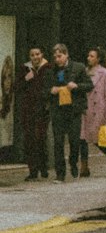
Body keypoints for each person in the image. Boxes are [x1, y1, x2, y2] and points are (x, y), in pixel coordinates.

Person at [49, 43, 92, 183]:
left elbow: (90, 85)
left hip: (73, 110)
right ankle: (60, 174)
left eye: (60, 56)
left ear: (66, 55)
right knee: (58, 142)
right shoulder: (51, 70)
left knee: (74, 141)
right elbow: (44, 89)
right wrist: (51, 90)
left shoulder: (78, 67)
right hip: (58, 110)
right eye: (55, 57)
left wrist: (77, 86)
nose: (57, 59)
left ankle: (73, 162)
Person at [80, 47, 106, 178]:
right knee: (82, 137)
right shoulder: (84, 71)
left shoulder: (105, 73)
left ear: (98, 58)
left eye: (92, 56)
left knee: (97, 139)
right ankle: (84, 167)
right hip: (85, 107)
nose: (89, 58)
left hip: (98, 109)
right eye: (88, 56)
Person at [16, 48, 51, 181]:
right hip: (28, 110)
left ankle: (43, 167)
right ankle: (33, 171)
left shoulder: (48, 68)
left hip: (43, 109)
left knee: (41, 138)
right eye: (32, 55)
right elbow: (16, 87)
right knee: (30, 139)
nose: (35, 57)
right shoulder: (24, 69)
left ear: (42, 55)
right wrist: (26, 79)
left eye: (37, 54)